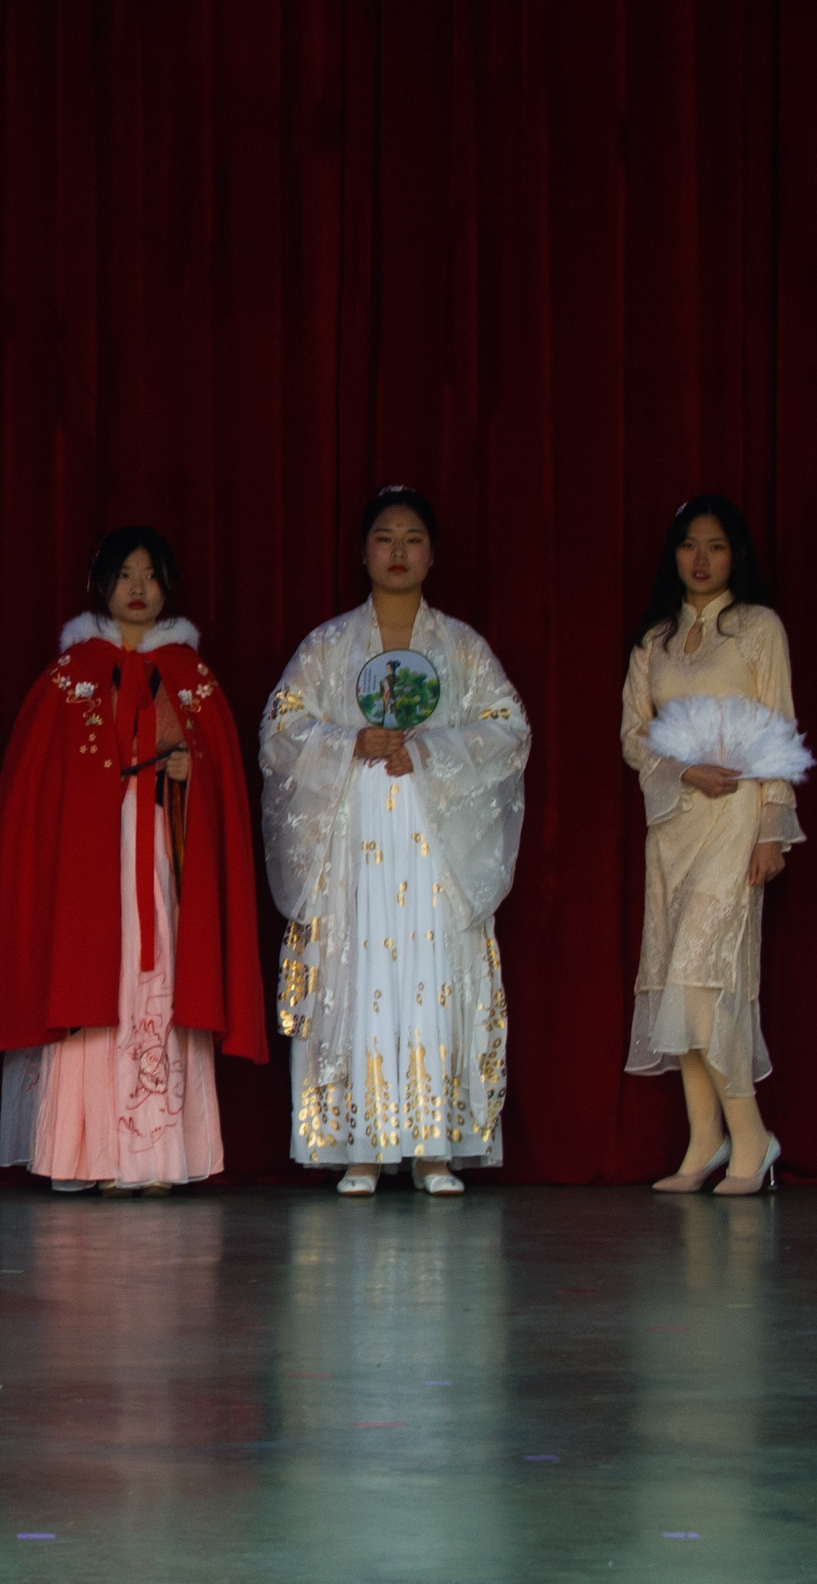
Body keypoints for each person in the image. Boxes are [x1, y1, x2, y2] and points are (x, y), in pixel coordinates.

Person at [0, 527, 267, 1192]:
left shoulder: (193, 679)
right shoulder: (67, 678)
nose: (138, 589)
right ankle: (89, 1156)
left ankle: (157, 1159)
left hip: (162, 862)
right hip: (87, 871)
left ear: (167, 586)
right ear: (101, 586)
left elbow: (219, 792)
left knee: (160, 979)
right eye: (124, 575)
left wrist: (189, 777)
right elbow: (37, 793)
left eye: (149, 575)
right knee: (92, 985)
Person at [261, 487, 529, 1196]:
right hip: (354, 838)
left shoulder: (462, 648)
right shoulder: (327, 647)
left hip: (434, 839)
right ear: (364, 552)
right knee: (359, 975)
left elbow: (510, 729)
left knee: (430, 971)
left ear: (432, 554)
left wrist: (434, 751)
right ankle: (362, 1145)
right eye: (386, 537)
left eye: (414, 539)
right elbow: (280, 730)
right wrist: (350, 742)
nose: (400, 551)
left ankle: (433, 1147)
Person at [620, 495, 799, 1193]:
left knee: (708, 978)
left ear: (736, 556)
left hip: (735, 819)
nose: (700, 559)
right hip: (673, 824)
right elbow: (633, 735)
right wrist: (682, 769)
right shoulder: (656, 639)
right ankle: (704, 1140)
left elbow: (779, 726)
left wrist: (773, 829)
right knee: (675, 978)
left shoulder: (757, 628)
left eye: (716, 546)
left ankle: (751, 1138)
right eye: (689, 545)